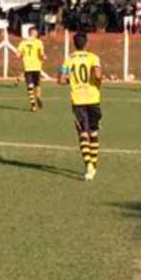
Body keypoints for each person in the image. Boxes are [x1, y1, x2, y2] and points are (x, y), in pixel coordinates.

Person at [58, 33, 103, 182]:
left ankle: (89, 165)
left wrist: (71, 78)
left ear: (74, 44)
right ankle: (93, 165)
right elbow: (97, 74)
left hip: (78, 100)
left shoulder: (69, 59)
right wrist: (99, 80)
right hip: (93, 98)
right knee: (94, 133)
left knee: (83, 133)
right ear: (87, 43)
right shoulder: (93, 58)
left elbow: (61, 80)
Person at [17, 28, 46, 112]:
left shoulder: (23, 42)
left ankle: (33, 105)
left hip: (28, 67)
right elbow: (41, 53)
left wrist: (21, 55)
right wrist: (43, 57)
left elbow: (18, 54)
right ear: (34, 33)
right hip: (37, 67)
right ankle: (38, 96)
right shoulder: (38, 42)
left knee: (30, 86)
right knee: (37, 85)